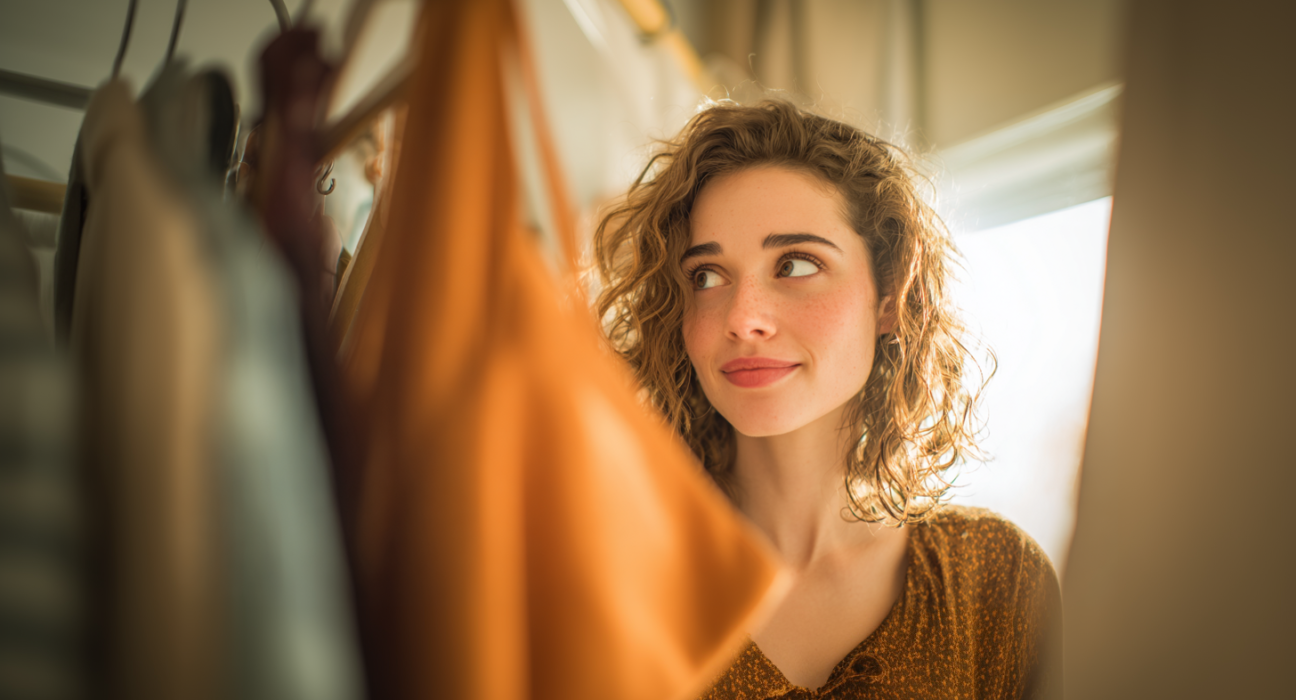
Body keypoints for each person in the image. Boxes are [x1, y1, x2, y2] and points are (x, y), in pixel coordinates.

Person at [593, 101, 1061, 699]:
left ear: (890, 297)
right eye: (706, 276)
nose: (742, 319)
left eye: (794, 264)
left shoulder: (998, 578)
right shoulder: (609, 567)